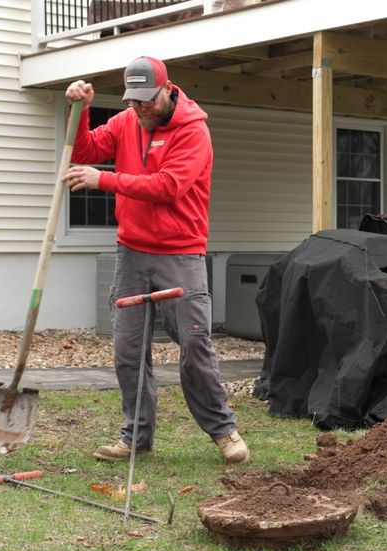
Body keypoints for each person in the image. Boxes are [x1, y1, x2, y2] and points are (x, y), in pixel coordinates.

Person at [62, 56, 249, 464]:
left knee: (194, 345)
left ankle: (224, 432)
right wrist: (81, 108)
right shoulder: (128, 119)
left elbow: (169, 186)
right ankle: (136, 438)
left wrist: (103, 179)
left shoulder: (193, 130)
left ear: (166, 90)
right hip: (131, 252)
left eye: (146, 101)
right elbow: (85, 148)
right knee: (129, 351)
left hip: (180, 252)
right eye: (133, 101)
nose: (139, 109)